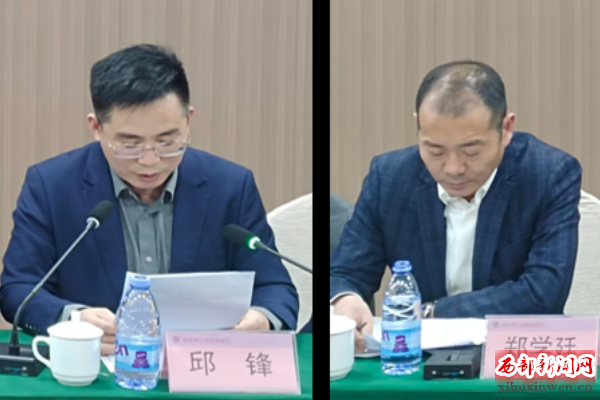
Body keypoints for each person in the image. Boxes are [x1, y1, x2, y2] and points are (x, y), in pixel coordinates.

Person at [0, 44, 299, 355]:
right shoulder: (52, 186)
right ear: (96, 128)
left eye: (167, 141)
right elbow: (19, 289)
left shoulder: (230, 186)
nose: (150, 160)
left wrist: (260, 319)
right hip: (97, 368)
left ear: (189, 121)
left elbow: (275, 289)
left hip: (202, 365)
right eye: (130, 144)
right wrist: (75, 320)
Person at [330, 60, 582, 351]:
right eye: (435, 150)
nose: (453, 168)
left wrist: (432, 312)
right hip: (420, 358)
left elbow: (543, 292)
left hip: (518, 352)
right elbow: (347, 272)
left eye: (471, 151)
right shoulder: (389, 178)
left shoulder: (549, 174)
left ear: (506, 129)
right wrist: (345, 299)